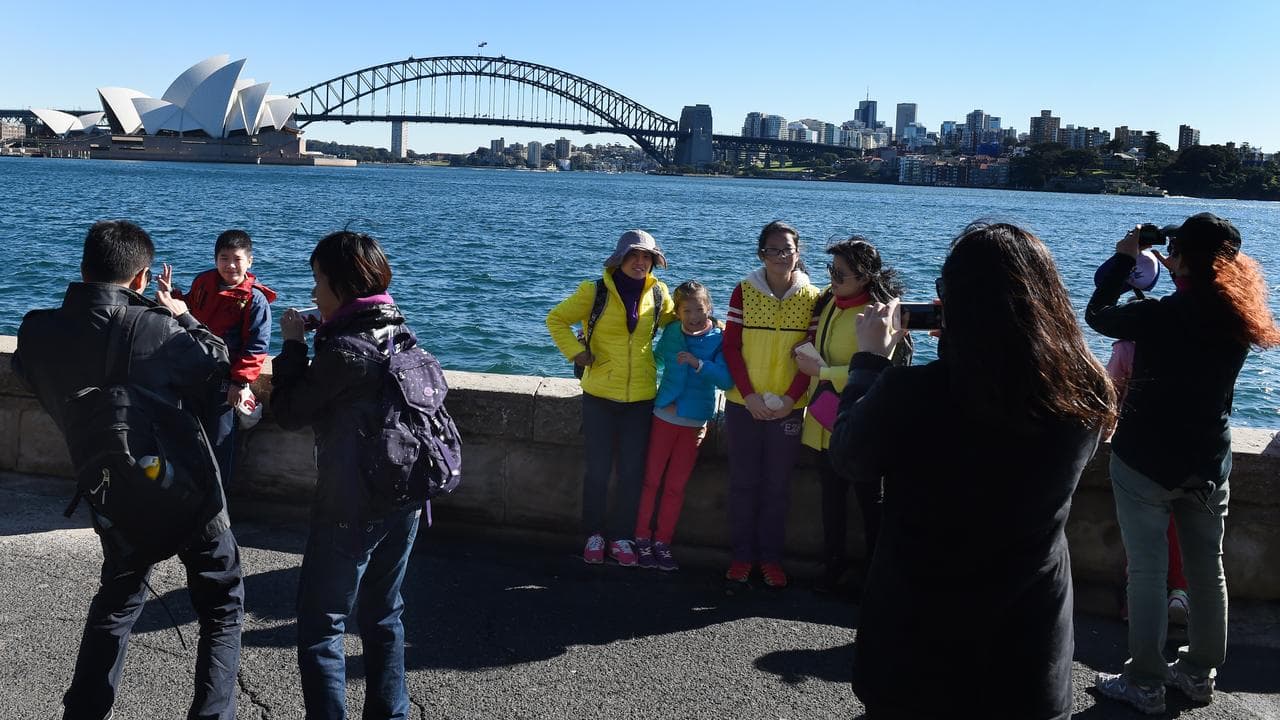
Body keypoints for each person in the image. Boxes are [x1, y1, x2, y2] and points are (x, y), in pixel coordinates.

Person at [829, 222, 1115, 719]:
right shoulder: (1084, 401)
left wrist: (870, 363)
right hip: (1027, 648)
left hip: (916, 645)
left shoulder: (912, 394)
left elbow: (850, 455)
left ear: (956, 304)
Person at [13, 219, 244, 720]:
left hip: (111, 489)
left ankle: (84, 712)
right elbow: (216, 364)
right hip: (190, 492)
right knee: (222, 606)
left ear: (83, 268)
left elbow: (30, 373)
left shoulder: (36, 331)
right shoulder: (158, 327)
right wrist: (182, 314)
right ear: (141, 279)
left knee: (116, 603)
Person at [1088, 214, 1280, 714]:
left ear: (1185, 261)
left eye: (1174, 251)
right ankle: (1199, 673)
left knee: (1148, 573)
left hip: (1145, 460)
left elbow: (1098, 313)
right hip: (1208, 459)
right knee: (1206, 569)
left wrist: (1125, 259)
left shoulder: (1160, 315)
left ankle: (1146, 680)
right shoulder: (1240, 317)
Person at [271, 230, 423, 719]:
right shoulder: (397, 327)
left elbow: (291, 411)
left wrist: (293, 345)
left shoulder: (342, 352)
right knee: (383, 614)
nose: (314, 292)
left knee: (322, 627)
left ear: (340, 285)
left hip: (350, 503)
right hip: (406, 496)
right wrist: (325, 329)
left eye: (318, 281)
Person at [547, 229, 675, 566]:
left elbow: (679, 324)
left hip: (642, 396)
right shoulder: (595, 291)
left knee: (633, 472)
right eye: (634, 255)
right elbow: (557, 319)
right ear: (619, 259)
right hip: (600, 394)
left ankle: (621, 537)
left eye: (646, 257)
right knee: (598, 470)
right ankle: (594, 533)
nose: (640, 262)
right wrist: (576, 353)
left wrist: (709, 326)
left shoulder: (659, 293)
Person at [794, 237, 905, 595]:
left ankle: (875, 578)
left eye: (840, 272)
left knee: (871, 505)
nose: (832, 277)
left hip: (862, 424)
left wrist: (823, 373)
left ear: (865, 276)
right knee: (831, 501)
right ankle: (832, 568)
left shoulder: (879, 314)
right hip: (825, 423)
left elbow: (881, 370)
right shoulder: (830, 302)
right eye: (831, 270)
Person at [722, 220, 821, 588]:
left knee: (778, 487)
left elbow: (812, 355)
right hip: (742, 404)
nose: (782, 256)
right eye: (774, 249)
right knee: (743, 484)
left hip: (788, 408)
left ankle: (771, 560)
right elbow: (730, 347)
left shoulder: (813, 298)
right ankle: (742, 557)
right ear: (761, 253)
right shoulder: (744, 292)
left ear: (798, 253)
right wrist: (748, 396)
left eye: (789, 249)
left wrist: (792, 399)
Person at [1096, 247, 1191, 626]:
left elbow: (1111, 395)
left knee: (1141, 534)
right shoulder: (1194, 325)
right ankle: (1181, 592)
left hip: (1141, 447)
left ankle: (1135, 606)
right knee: (1182, 528)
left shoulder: (1128, 342)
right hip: (1192, 442)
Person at [633, 280, 733, 571]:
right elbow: (654, 359)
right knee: (651, 481)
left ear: (709, 307)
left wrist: (698, 364)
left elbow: (727, 380)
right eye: (686, 310)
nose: (693, 316)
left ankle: (662, 542)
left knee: (675, 487)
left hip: (694, 421)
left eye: (699, 309)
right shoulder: (673, 332)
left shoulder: (719, 337)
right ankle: (641, 538)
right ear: (677, 313)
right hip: (664, 415)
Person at [165, 229, 276, 490]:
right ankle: (189, 498)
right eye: (224, 258)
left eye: (237, 259)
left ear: (250, 261)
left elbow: (257, 347)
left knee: (220, 445)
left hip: (225, 383)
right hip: (194, 374)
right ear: (215, 260)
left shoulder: (254, 299)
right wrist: (171, 295)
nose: (230, 265)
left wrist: (239, 382)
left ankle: (218, 507)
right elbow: (190, 309)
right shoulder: (204, 281)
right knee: (188, 440)